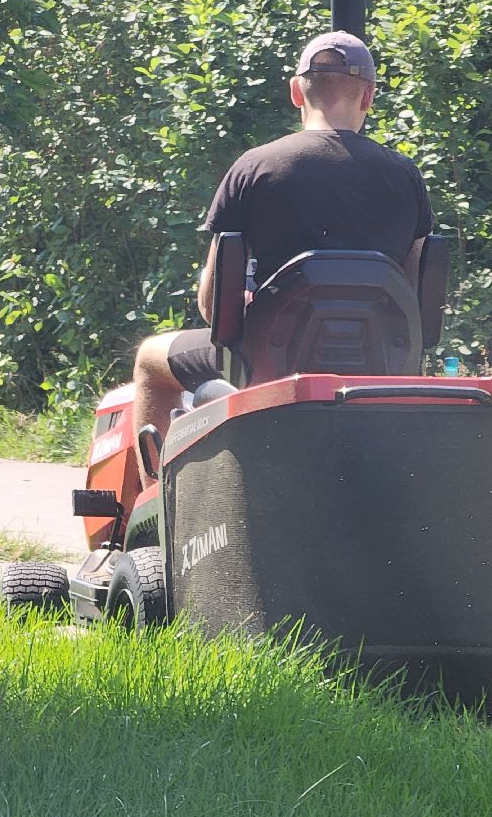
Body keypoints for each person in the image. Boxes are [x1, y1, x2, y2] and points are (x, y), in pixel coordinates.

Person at [130, 31, 432, 481]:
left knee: (149, 359)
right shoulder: (406, 176)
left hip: (266, 363)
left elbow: (213, 305)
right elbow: (416, 297)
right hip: (379, 366)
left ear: (296, 92)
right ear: (368, 95)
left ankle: (155, 508)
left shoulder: (254, 168)